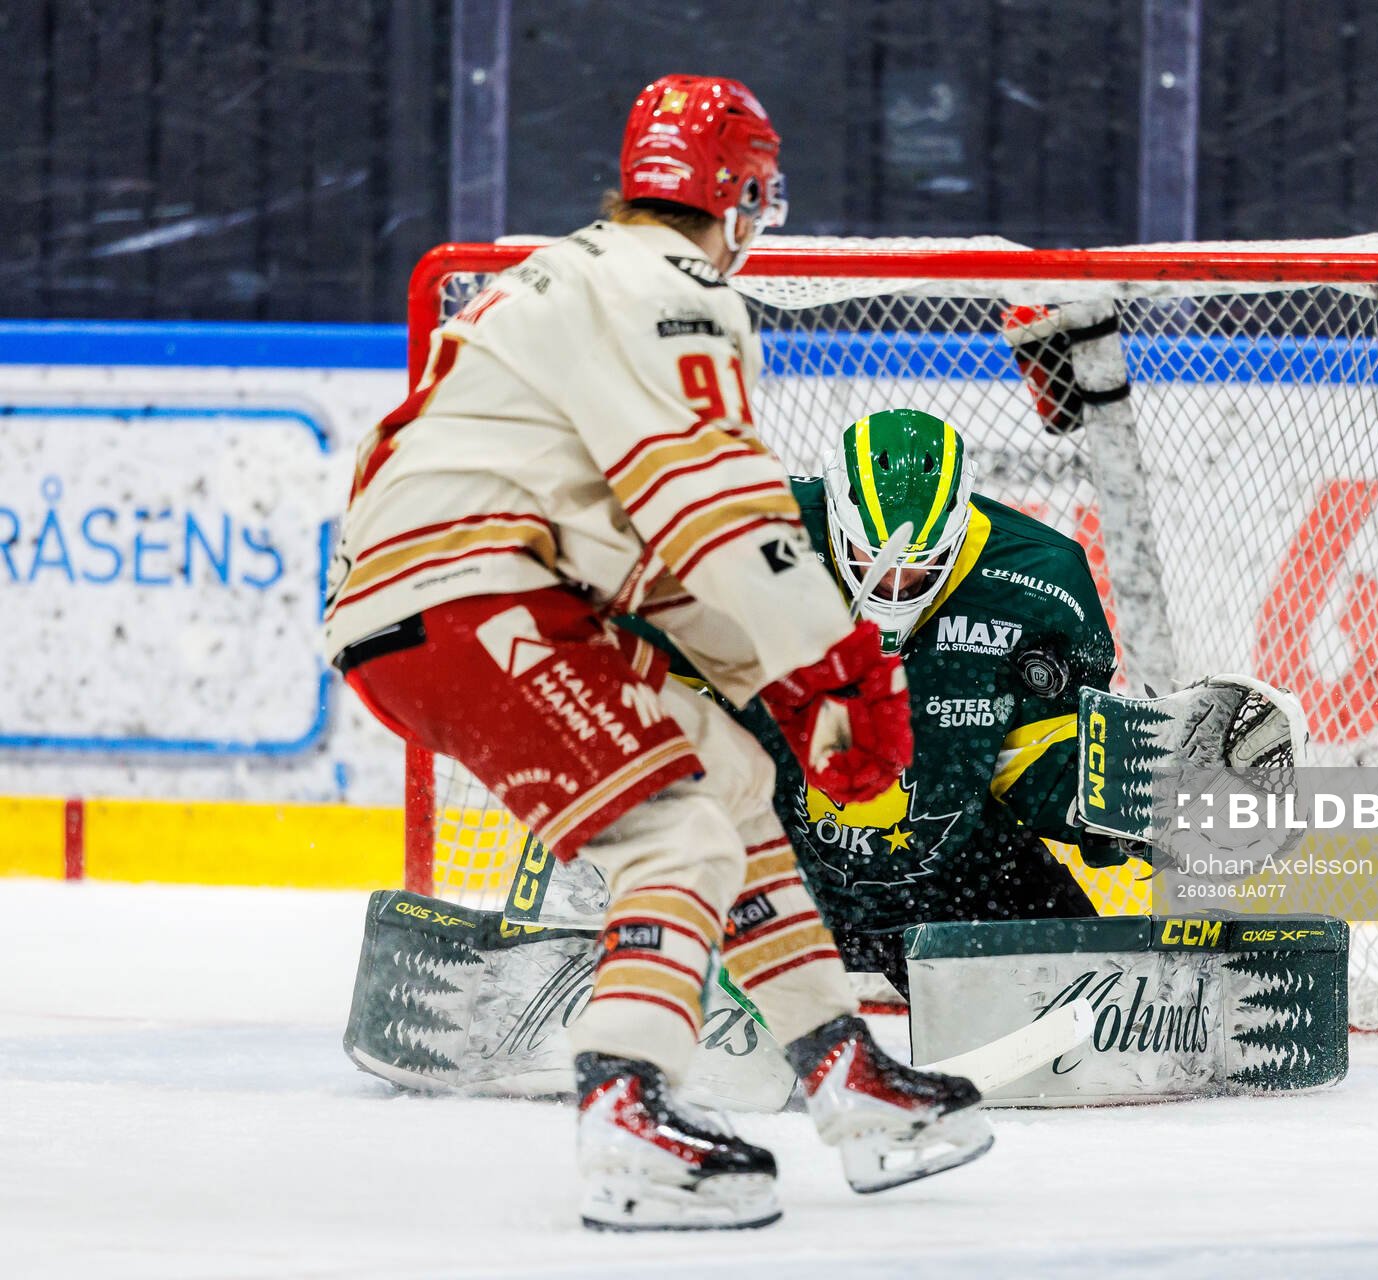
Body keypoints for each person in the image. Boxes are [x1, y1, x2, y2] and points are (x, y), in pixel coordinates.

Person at [322, 75, 990, 1232]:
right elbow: (714, 501)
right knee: (675, 835)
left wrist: (776, 681)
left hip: (448, 592)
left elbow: (639, 547)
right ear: (741, 195)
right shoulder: (672, 288)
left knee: (733, 776)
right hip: (470, 596)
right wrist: (839, 662)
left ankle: (844, 1071)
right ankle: (626, 1106)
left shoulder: (570, 277)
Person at [621, 408, 1127, 1000]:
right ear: (835, 517)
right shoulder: (743, 542)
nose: (895, 584)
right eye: (873, 558)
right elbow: (623, 679)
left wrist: (1138, 805)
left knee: (1099, 1008)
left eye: (920, 566)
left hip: (957, 883)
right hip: (762, 877)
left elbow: (1042, 758)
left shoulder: (1039, 583)